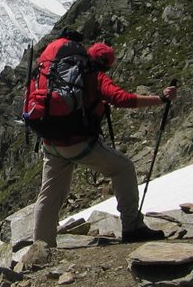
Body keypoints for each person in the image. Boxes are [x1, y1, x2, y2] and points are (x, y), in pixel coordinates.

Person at [33, 42, 177, 246]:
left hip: (50, 143)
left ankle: (41, 247)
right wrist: (160, 99)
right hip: (78, 143)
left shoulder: (56, 72)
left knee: (49, 194)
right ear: (106, 64)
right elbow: (121, 99)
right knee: (123, 168)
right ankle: (132, 226)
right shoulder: (95, 76)